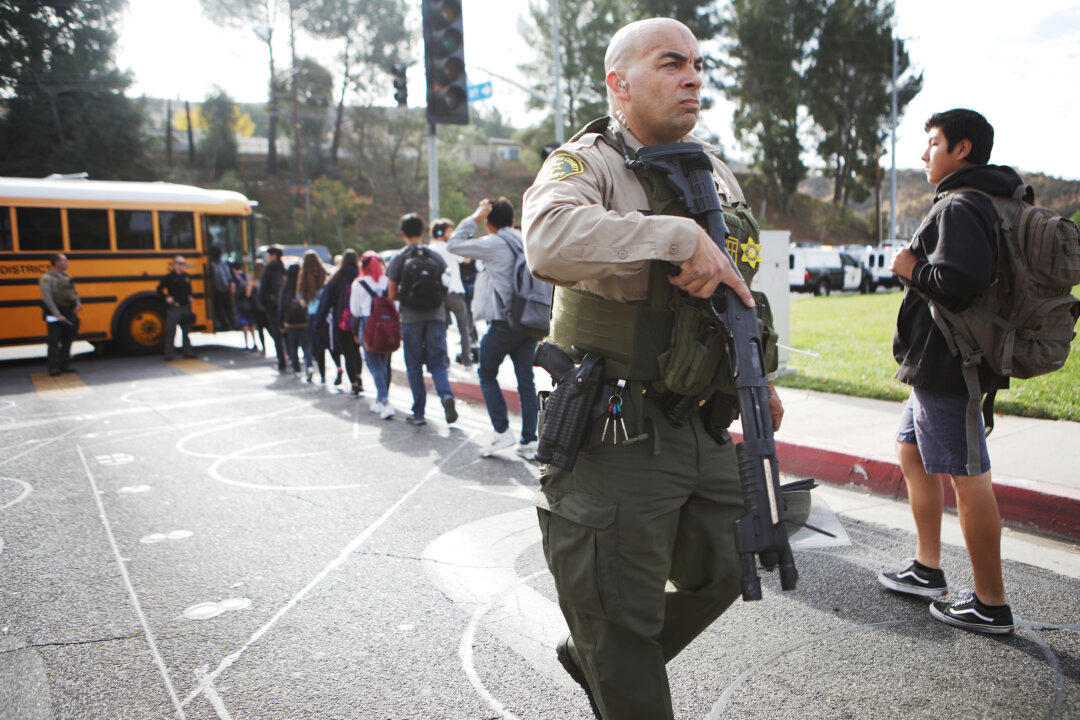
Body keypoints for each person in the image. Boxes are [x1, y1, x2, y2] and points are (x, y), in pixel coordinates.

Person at [521, 18, 781, 720]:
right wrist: (676, 237)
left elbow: (739, 283)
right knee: (619, 613)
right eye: (672, 64)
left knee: (734, 562)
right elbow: (546, 239)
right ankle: (615, 656)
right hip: (615, 431)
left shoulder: (713, 170)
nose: (693, 77)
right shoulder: (590, 163)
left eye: (697, 64)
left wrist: (757, 376)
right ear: (620, 83)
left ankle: (603, 657)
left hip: (701, 419)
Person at [877, 109, 1020, 635]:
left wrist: (908, 266)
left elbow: (960, 283)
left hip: (950, 363)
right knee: (912, 452)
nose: (924, 154)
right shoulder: (975, 199)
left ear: (962, 149)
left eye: (933, 143)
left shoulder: (962, 204)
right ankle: (926, 567)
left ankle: (990, 603)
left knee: (968, 478)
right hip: (934, 361)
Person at [448, 198, 538, 459]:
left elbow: (454, 244)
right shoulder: (525, 239)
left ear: (488, 224)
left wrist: (474, 217)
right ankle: (529, 441)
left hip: (504, 323)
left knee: (486, 373)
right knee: (526, 381)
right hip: (530, 321)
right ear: (513, 220)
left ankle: (502, 431)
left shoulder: (494, 243)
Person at [386, 213, 457, 426]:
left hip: (411, 318)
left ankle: (419, 413)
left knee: (414, 365)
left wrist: (408, 298)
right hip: (436, 315)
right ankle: (446, 395)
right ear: (423, 232)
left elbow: (391, 293)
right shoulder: (434, 257)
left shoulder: (399, 258)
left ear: (403, 233)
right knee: (438, 361)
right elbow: (445, 289)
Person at [351, 251, 395, 419]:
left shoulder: (358, 284)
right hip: (388, 325)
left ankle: (385, 402)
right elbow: (396, 305)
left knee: (373, 364)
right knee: (383, 364)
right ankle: (379, 400)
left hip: (368, 324)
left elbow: (355, 311)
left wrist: (355, 331)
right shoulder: (387, 282)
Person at [314, 249, 363, 395]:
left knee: (348, 353)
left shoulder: (336, 278)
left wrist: (318, 321)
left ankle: (354, 384)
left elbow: (326, 302)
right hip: (358, 320)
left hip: (341, 320)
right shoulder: (360, 276)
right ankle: (359, 378)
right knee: (356, 351)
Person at [429, 217, 473, 368]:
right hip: (455, 291)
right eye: (449, 231)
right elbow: (467, 260)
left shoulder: (430, 249)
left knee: (442, 329)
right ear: (440, 232)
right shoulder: (450, 247)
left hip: (439, 294)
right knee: (464, 328)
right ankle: (467, 360)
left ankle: (445, 361)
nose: (450, 234)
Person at [39, 253, 81, 375]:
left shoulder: (67, 277)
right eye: (64, 261)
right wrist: (57, 314)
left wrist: (78, 304)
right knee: (54, 340)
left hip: (68, 312)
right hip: (54, 314)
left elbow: (74, 292)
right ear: (56, 262)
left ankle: (64, 364)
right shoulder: (46, 278)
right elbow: (47, 298)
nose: (66, 263)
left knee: (68, 339)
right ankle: (53, 367)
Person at [297, 250, 332, 383]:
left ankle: (321, 375)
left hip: (313, 315)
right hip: (327, 315)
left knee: (317, 347)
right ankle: (339, 367)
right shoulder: (325, 275)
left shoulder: (303, 279)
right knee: (330, 344)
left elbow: (302, 302)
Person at [156, 255, 196, 361]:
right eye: (179, 263)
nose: (181, 265)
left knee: (186, 331)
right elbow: (159, 290)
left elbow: (190, 290)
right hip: (174, 307)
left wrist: (191, 297)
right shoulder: (169, 277)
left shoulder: (187, 277)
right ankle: (169, 354)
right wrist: (166, 297)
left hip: (185, 306)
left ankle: (187, 351)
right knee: (171, 331)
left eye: (183, 263)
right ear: (174, 264)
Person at [259, 246, 287, 370]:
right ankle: (292, 357)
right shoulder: (284, 269)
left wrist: (264, 304)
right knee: (287, 333)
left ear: (273, 256)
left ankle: (281, 360)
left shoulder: (268, 270)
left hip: (272, 306)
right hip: (286, 306)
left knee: (276, 335)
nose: (266, 258)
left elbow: (262, 290)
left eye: (267, 255)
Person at [279, 263, 308, 375]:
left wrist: (281, 323)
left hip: (290, 322)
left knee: (293, 346)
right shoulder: (303, 287)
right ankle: (309, 364)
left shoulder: (285, 289)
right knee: (306, 345)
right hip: (304, 320)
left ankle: (297, 369)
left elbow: (281, 308)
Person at [207, 244, 235, 332]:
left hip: (218, 290)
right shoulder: (224, 264)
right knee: (228, 308)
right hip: (226, 289)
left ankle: (225, 325)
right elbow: (229, 277)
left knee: (219, 309)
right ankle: (232, 324)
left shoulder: (211, 265)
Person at [232, 260, 256, 350]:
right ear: (242, 268)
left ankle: (247, 344)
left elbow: (233, 290)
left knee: (244, 324)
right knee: (252, 323)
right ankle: (255, 342)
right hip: (250, 303)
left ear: (233, 269)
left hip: (241, 303)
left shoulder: (234, 278)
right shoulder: (248, 276)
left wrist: (233, 304)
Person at [249, 259, 268, 354]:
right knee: (270, 328)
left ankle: (264, 348)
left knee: (260, 329)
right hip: (267, 307)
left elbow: (248, 293)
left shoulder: (253, 280)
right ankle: (280, 348)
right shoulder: (267, 278)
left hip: (257, 308)